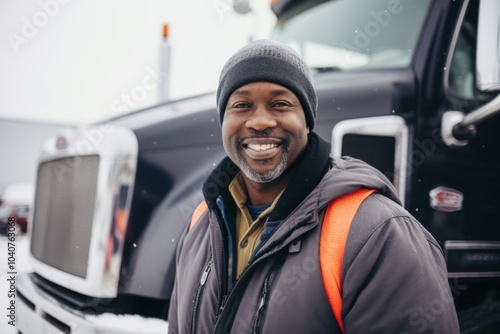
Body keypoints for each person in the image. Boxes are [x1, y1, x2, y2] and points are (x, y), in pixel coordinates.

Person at [167, 39, 460, 333]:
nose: (259, 122)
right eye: (241, 105)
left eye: (279, 104)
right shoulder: (201, 222)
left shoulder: (376, 232)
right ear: (223, 121)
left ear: (307, 121)